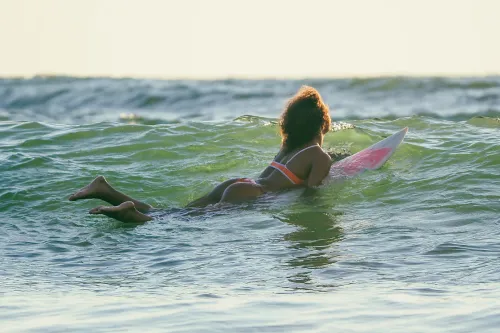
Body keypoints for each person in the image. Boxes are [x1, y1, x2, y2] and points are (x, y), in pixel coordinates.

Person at [68, 86, 333, 223]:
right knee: (186, 224)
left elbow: (293, 172)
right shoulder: (319, 156)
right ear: (322, 123)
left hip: (240, 185)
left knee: (174, 214)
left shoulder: (289, 148)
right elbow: (312, 194)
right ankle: (129, 215)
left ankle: (105, 190)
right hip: (255, 194)